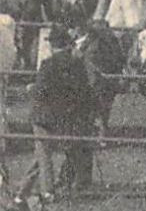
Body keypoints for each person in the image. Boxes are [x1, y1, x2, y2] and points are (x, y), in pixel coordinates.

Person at [19, 27, 97, 202]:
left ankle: (48, 191)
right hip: (65, 117)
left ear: (53, 45)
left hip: (44, 116)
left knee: (44, 154)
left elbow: (40, 91)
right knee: (43, 154)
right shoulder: (77, 64)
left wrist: (31, 89)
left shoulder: (48, 64)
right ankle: (23, 189)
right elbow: (84, 91)